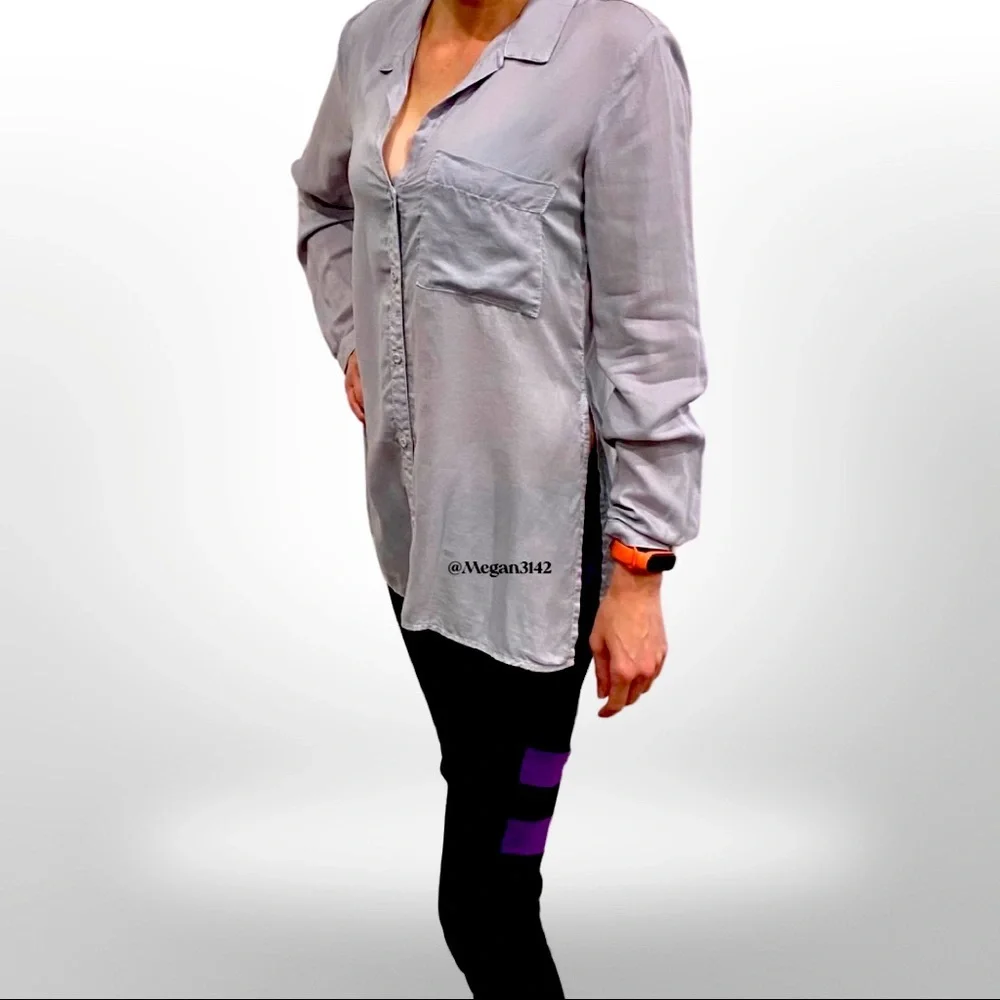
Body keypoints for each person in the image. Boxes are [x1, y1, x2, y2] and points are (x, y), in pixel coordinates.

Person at [289, 0, 706, 994]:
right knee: (475, 797)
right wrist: (354, 333)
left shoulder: (619, 55)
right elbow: (327, 204)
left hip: (541, 561)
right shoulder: (374, 40)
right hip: (412, 533)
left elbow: (652, 326)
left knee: (486, 896)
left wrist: (641, 565)